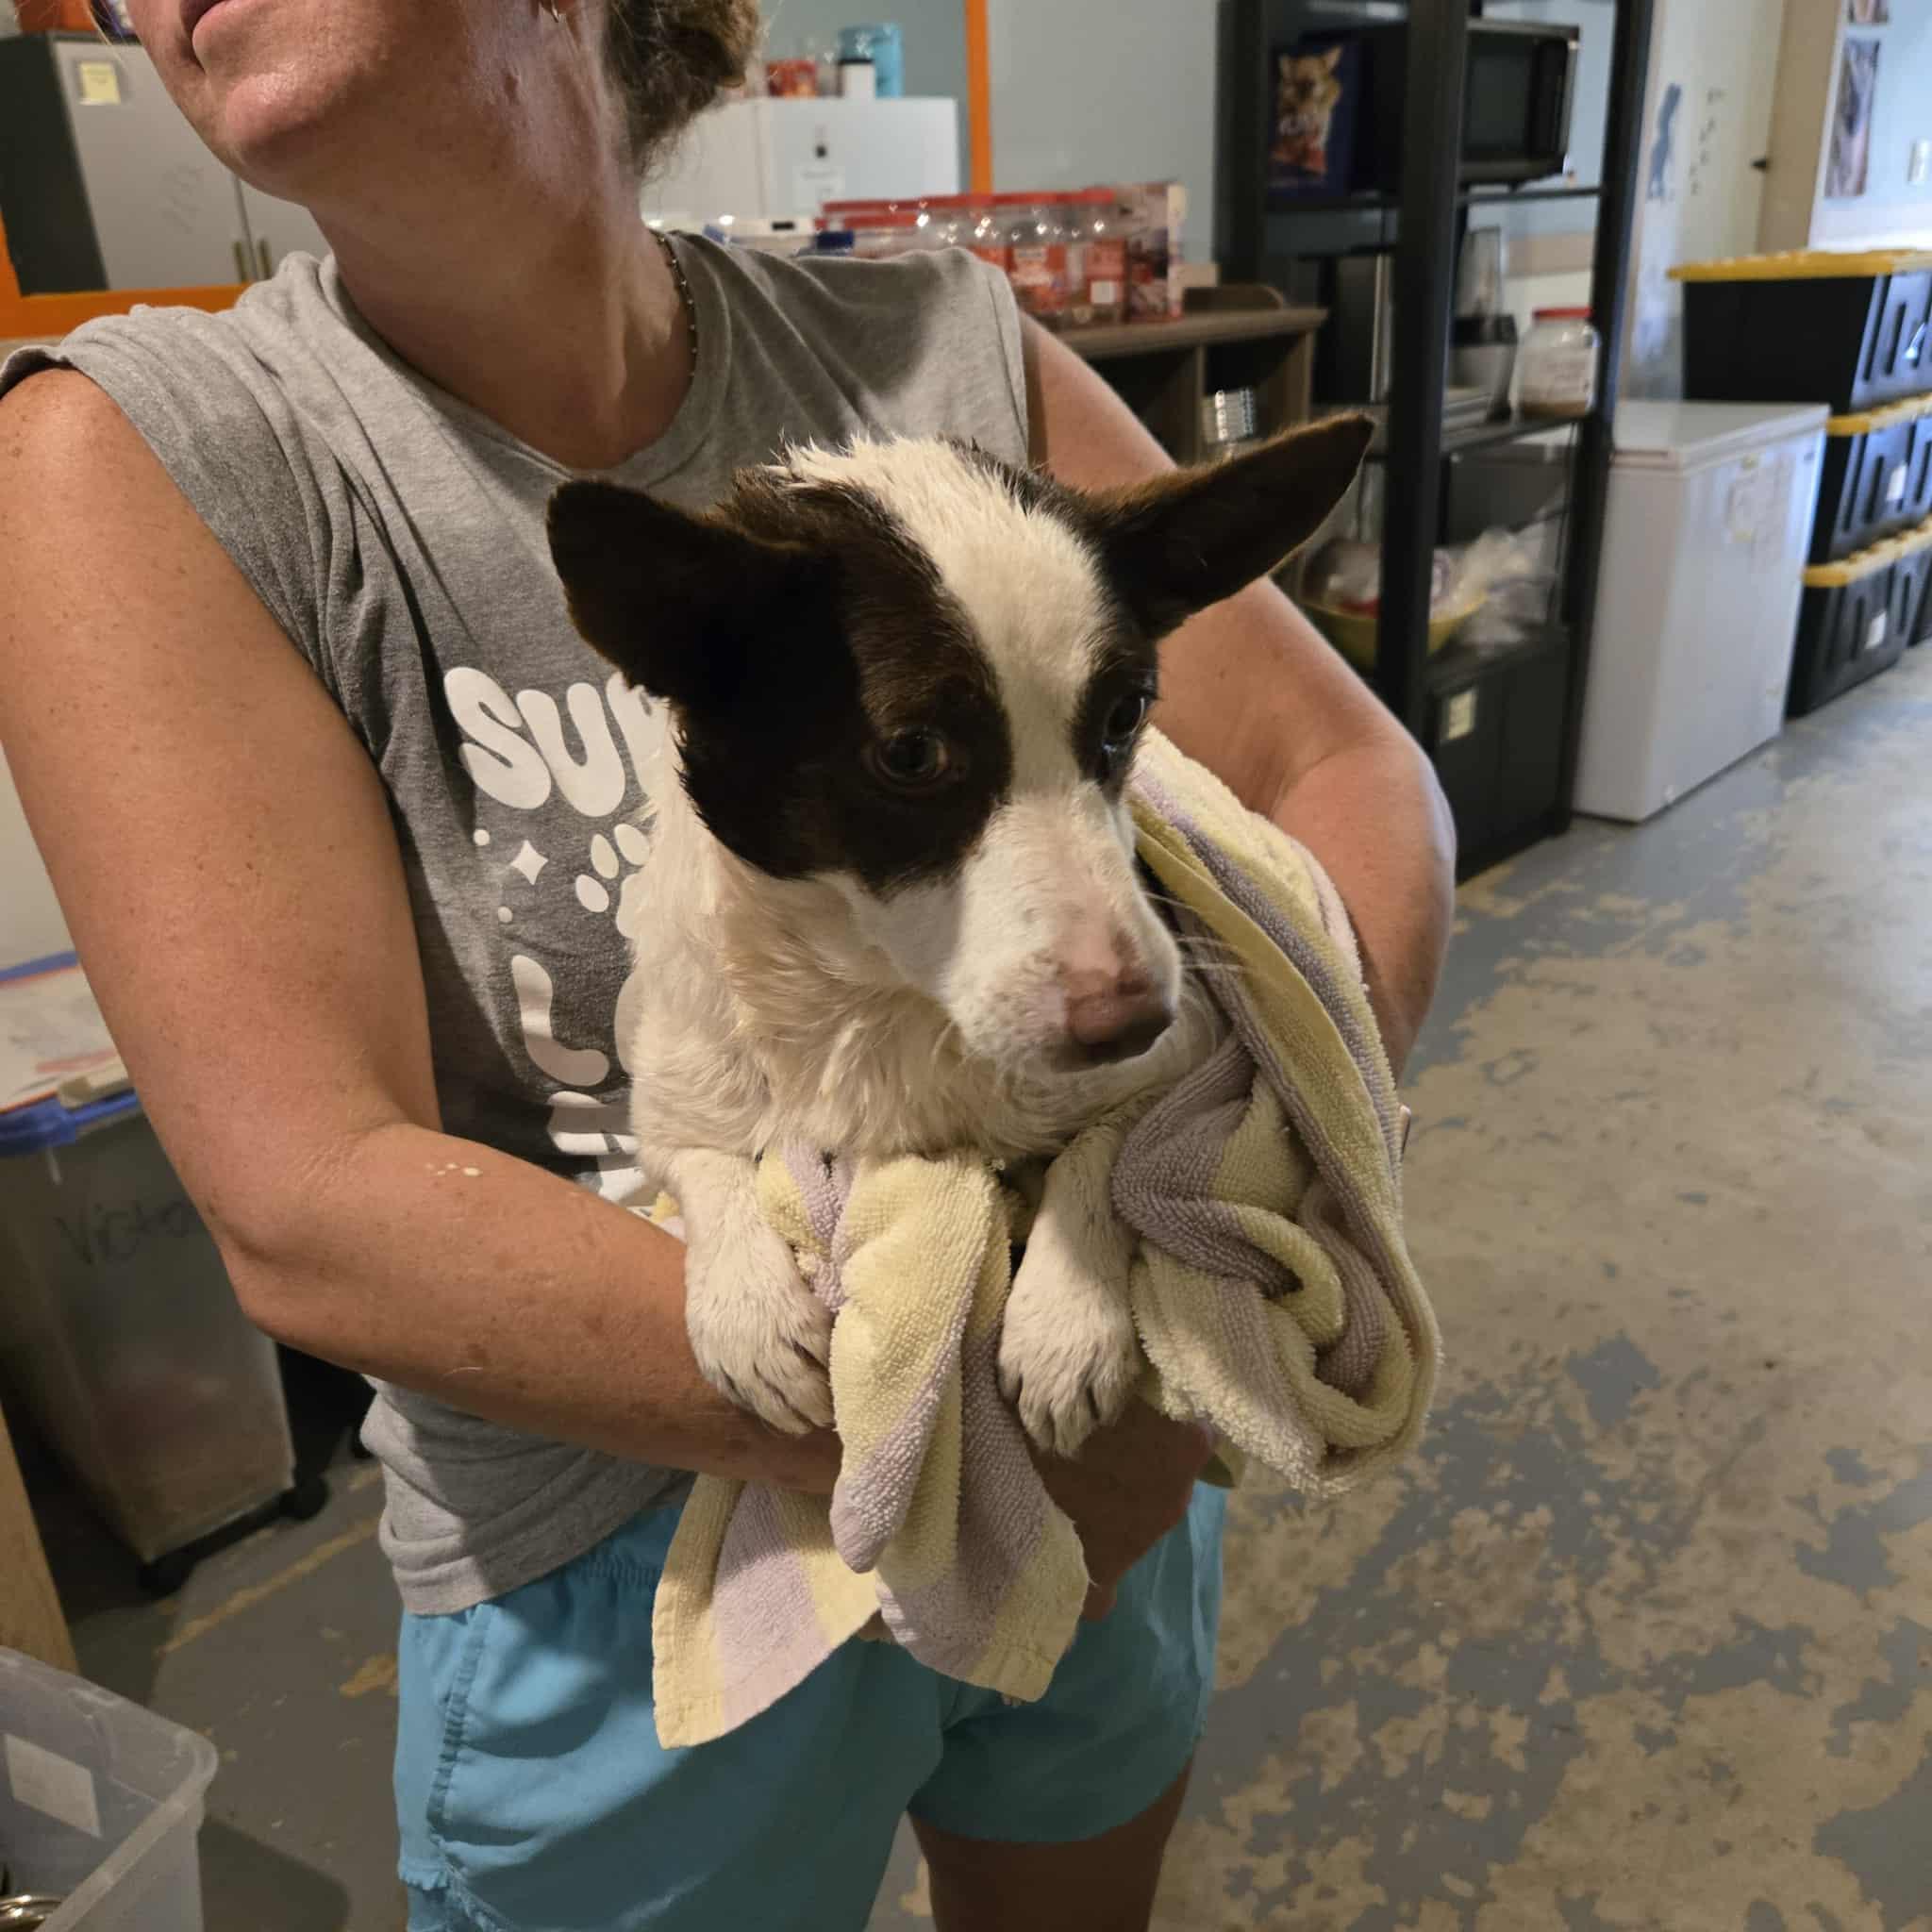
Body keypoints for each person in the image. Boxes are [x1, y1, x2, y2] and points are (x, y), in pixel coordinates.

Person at [0, 3, 1454, 1925]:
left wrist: (1212, 1267)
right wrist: (964, 1427)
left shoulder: (934, 341)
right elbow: (308, 1205)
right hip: (633, 1537)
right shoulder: (143, 459)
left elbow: (1348, 771)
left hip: (1093, 1367)